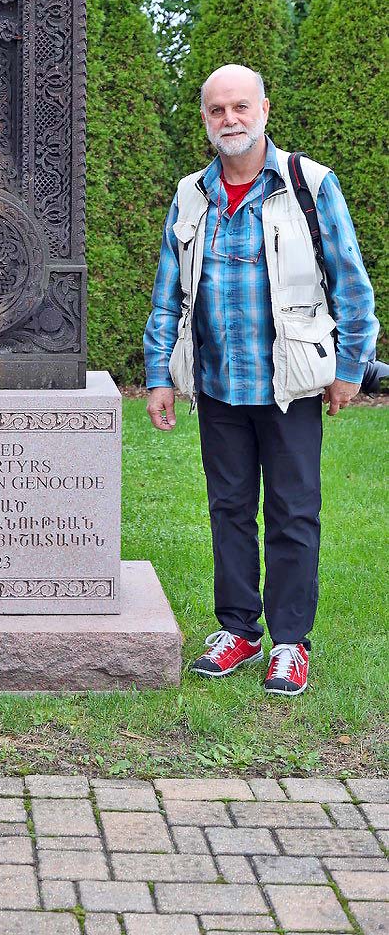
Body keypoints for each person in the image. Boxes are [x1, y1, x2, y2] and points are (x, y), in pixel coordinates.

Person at [144, 64, 378, 695]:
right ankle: (240, 630)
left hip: (290, 386)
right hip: (218, 385)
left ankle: (291, 643)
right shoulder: (191, 196)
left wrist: (349, 368)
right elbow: (169, 294)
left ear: (265, 110)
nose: (231, 120)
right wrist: (160, 375)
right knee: (228, 509)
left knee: (294, 512)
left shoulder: (310, 185)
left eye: (241, 107)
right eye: (218, 110)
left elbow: (352, 284)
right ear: (205, 120)